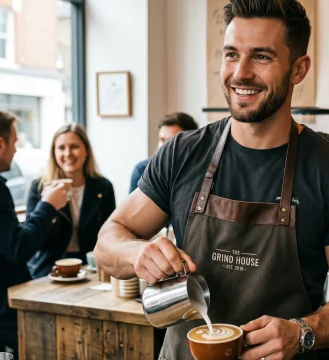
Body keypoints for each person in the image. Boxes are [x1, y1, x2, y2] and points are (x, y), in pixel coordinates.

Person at [94, 0, 329, 359]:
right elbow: (108, 240)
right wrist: (138, 252)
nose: (240, 73)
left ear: (298, 69)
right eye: (232, 54)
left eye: (261, 57)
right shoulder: (182, 153)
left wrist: (302, 332)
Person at [0, 111, 68, 355]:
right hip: (6, 309)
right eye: (15, 143)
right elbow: (18, 248)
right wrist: (48, 205)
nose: (16, 151)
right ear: (1, 143)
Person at [26, 123, 116, 278]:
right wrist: (47, 205)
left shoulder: (103, 187)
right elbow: (33, 241)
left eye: (74, 146)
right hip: (49, 270)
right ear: (54, 153)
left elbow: (111, 234)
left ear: (86, 150)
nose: (68, 153)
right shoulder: (39, 187)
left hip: (91, 269)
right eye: (61, 148)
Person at [129, 112, 198, 193]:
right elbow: (134, 205)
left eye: (171, 141)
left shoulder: (201, 171)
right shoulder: (143, 169)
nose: (164, 146)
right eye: (162, 139)